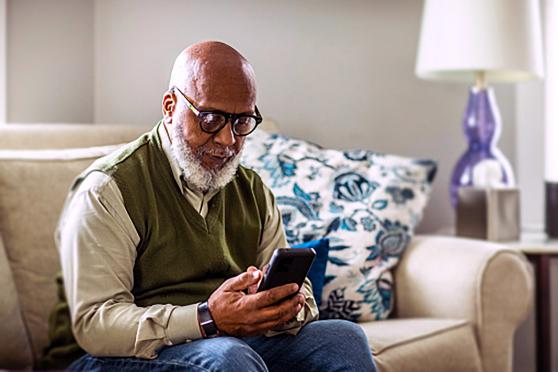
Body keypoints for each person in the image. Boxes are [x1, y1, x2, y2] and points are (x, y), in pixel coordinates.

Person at [41, 41, 376, 371]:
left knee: (343, 339)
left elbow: (299, 293)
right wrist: (208, 318)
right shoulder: (108, 189)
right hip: (104, 357)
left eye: (242, 121)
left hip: (225, 343)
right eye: (211, 118)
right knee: (227, 358)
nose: (228, 140)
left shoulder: (253, 191)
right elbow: (95, 324)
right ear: (170, 106)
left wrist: (280, 307)